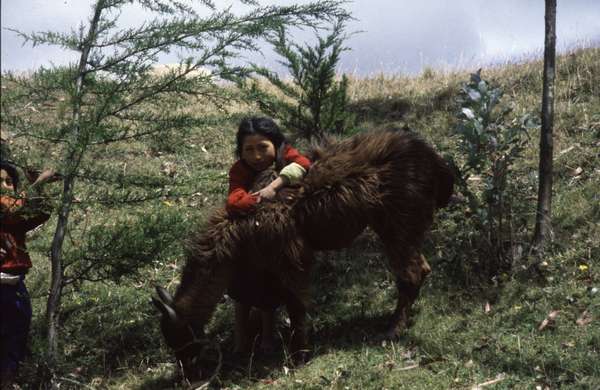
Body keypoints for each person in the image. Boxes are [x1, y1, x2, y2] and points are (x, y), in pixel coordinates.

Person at [225, 117, 311, 353]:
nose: (256, 156)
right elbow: (234, 200)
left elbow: (303, 163)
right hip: (247, 237)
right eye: (248, 150)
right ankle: (240, 342)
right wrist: (257, 199)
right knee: (241, 284)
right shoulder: (240, 169)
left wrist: (275, 186)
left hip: (280, 235)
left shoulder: (286, 155)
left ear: (276, 144)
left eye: (263, 147)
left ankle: (267, 338)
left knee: (269, 285)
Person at [0, 161, 55, 389]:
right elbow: (15, 209)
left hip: (14, 287)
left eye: (9, 182)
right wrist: (38, 183)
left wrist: (38, 188)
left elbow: (40, 213)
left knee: (15, 340)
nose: (5, 187)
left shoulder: (13, 219)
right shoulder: (10, 212)